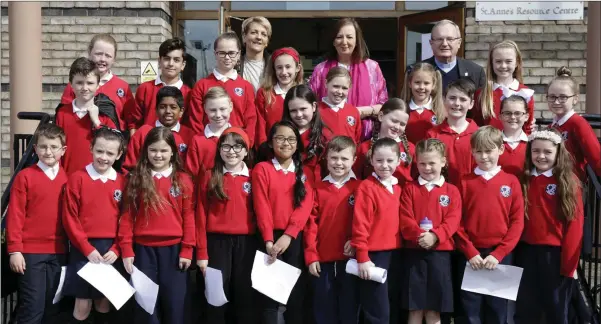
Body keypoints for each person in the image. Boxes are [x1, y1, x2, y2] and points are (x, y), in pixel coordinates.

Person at [118, 127, 195, 324]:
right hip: (144, 251)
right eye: (153, 150)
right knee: (146, 306)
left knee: (175, 305)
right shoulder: (136, 179)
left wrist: (187, 248)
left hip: (174, 251)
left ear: (172, 152)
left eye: (163, 150)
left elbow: (189, 216)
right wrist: (126, 249)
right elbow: (127, 216)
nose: (158, 155)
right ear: (146, 151)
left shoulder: (183, 180)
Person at [454, 126, 524, 324]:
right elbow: (455, 221)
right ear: (472, 151)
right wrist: (470, 252)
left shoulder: (511, 182)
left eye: (489, 150)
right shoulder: (464, 182)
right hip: (471, 255)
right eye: (479, 151)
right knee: (470, 310)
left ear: (501, 149)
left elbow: (517, 222)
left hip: (500, 255)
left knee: (498, 310)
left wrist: (499, 254)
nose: (484, 156)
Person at [514, 128, 583, 324]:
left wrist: (569, 264)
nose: (541, 156)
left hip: (555, 255)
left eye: (547, 152)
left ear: (557, 153)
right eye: (536, 151)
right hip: (525, 252)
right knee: (526, 307)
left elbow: (575, 226)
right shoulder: (524, 179)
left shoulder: (568, 182)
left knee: (556, 308)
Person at [62, 127, 126, 324]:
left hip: (111, 250)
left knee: (104, 303)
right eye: (99, 151)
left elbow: (127, 218)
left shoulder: (123, 181)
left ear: (119, 154)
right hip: (84, 249)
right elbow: (69, 217)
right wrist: (86, 248)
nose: (103, 157)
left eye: (110, 153)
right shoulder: (77, 178)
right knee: (82, 305)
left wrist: (117, 248)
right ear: (91, 148)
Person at [252, 121, 314, 324]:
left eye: (291, 139)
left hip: (294, 239)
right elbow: (262, 206)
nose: (285, 143)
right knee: (269, 299)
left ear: (297, 144)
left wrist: (289, 235)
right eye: (280, 138)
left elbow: (304, 207)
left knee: (295, 296)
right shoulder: (262, 169)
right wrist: (269, 240)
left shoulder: (306, 172)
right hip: (268, 238)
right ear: (270, 142)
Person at [7, 124, 68, 324]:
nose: (48, 151)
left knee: (53, 308)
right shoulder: (25, 177)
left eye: (53, 146)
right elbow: (15, 215)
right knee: (32, 308)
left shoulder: (70, 179)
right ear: (35, 149)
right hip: (30, 253)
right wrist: (15, 250)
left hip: (60, 253)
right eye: (43, 147)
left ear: (63, 150)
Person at [196, 128, 256, 324]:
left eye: (238, 146)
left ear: (246, 151)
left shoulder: (254, 176)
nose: (232, 151)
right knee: (216, 297)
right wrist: (202, 253)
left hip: (246, 244)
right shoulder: (209, 176)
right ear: (219, 150)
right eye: (226, 146)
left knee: (244, 295)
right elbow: (200, 214)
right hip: (216, 243)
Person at [399, 138, 461, 324]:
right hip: (414, 254)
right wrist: (420, 237)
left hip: (440, 255)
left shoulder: (452, 191)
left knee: (434, 310)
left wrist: (435, 236)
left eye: (432, 163)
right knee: (415, 308)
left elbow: (453, 219)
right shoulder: (409, 189)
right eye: (422, 163)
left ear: (443, 161)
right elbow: (405, 218)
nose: (427, 168)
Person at [304, 136, 361, 324]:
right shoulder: (317, 189)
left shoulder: (360, 188)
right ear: (326, 159)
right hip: (324, 261)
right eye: (334, 158)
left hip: (351, 261)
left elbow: (365, 222)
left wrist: (355, 242)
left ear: (354, 160)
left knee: (350, 309)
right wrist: (311, 256)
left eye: (344, 159)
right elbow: (311, 224)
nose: (339, 163)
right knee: (324, 309)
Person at [310, 18, 388, 141]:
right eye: (339, 37)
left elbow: (384, 107)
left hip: (365, 138)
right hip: (327, 140)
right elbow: (310, 105)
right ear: (333, 41)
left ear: (357, 41)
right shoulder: (320, 70)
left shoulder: (372, 68)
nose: (344, 42)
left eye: (349, 37)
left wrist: (356, 112)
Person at [351, 137, 403, 324]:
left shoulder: (398, 187)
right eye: (379, 160)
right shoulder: (367, 187)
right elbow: (360, 224)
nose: (384, 165)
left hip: (396, 254)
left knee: (392, 304)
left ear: (398, 160)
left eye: (390, 161)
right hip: (374, 255)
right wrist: (363, 257)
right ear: (371, 160)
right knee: (376, 310)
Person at [185, 32, 257, 146]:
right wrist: (202, 144)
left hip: (236, 149)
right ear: (215, 54)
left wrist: (246, 144)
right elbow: (195, 121)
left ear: (238, 54)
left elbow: (251, 120)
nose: (227, 57)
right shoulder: (202, 85)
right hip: (209, 146)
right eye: (222, 53)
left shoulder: (246, 86)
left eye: (232, 53)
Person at [55, 57, 117, 175]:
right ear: (71, 85)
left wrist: (97, 122)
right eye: (79, 83)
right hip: (68, 178)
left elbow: (112, 146)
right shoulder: (62, 113)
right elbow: (57, 149)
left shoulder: (105, 114)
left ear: (98, 85)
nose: (85, 88)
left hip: (97, 178)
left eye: (90, 83)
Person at [61, 34, 135, 130]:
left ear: (114, 59)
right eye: (98, 54)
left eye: (108, 56)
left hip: (113, 141)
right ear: (89, 52)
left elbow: (131, 123)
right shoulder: (75, 86)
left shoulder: (123, 87)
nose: (102, 59)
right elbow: (64, 116)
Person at [127, 38, 191, 135]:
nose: (171, 63)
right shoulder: (145, 88)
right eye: (166, 58)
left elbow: (189, 126)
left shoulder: (189, 93)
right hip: (148, 146)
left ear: (183, 65)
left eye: (176, 60)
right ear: (159, 61)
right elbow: (134, 123)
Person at [548, 66, 601, 179]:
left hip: (573, 186)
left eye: (563, 97)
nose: (556, 101)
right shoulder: (551, 126)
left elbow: (596, 157)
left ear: (575, 99)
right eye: (552, 97)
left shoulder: (578, 123)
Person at [124, 86, 195, 170]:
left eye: (173, 107)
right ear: (156, 110)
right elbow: (129, 167)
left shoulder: (190, 135)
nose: (168, 111)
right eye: (162, 107)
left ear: (181, 111)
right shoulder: (143, 133)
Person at [473, 40, 535, 133]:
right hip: (488, 146)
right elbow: (476, 126)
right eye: (498, 61)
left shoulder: (526, 93)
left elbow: (527, 129)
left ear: (517, 62)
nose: (503, 66)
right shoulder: (481, 93)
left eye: (508, 61)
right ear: (492, 63)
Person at [426, 79, 479, 186]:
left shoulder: (479, 134)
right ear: (444, 99)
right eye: (452, 98)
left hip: (472, 193)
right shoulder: (432, 134)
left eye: (463, 99)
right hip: (442, 194)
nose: (457, 103)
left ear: (471, 104)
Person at [353, 98, 415, 185]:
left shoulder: (410, 149)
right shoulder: (364, 148)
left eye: (402, 124)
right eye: (394, 121)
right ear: (381, 116)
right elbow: (356, 178)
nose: (397, 127)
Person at [280, 84, 331, 182]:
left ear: (314, 106)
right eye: (293, 111)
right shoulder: (280, 133)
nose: (299, 114)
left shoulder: (325, 136)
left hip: (313, 190)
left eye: (303, 109)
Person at [256, 47, 303, 146]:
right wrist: (263, 147)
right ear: (274, 69)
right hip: (271, 149)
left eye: (288, 67)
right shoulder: (264, 93)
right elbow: (260, 125)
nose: (284, 72)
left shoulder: (303, 93)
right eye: (279, 67)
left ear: (297, 68)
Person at [421, 20, 486, 91]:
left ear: (459, 43)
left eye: (450, 39)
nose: (445, 44)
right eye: (439, 39)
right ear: (431, 43)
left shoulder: (476, 72)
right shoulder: (414, 71)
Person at [185, 86, 233, 177]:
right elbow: (190, 175)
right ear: (205, 109)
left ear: (231, 107)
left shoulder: (239, 136)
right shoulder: (197, 141)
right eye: (213, 110)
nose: (218, 115)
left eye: (222, 109)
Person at [401, 62, 445, 144]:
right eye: (417, 82)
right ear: (410, 83)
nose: (421, 87)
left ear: (434, 85)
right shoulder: (402, 110)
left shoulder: (442, 111)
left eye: (426, 83)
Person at [318, 67, 362, 144]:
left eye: (344, 88)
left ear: (350, 88)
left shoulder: (353, 112)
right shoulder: (316, 110)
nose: (339, 91)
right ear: (326, 83)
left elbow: (357, 140)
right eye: (336, 86)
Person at [497, 95, 530, 178]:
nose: (512, 117)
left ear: (526, 117)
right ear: (500, 116)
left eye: (518, 113)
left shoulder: (533, 143)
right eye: (507, 113)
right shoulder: (492, 142)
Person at [239, 16, 272, 93]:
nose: (259, 37)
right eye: (254, 32)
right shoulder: (234, 64)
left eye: (264, 34)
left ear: (267, 41)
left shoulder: (274, 66)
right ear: (244, 37)